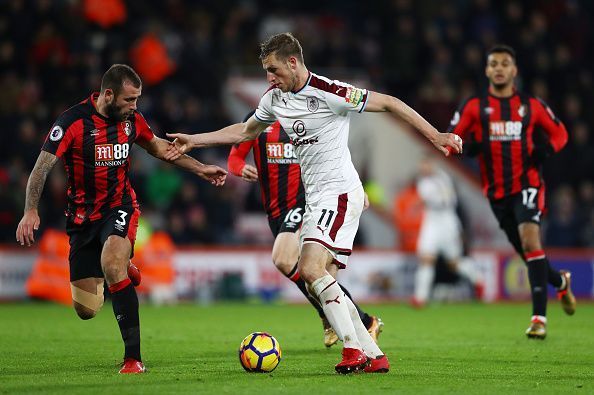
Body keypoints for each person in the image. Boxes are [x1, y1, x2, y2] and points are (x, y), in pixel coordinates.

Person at [166, 32, 461, 374]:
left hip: (339, 193)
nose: (269, 78)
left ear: (293, 62)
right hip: (318, 198)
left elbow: (391, 103)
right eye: (266, 71)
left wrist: (436, 135)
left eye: (273, 70)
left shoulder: (330, 92)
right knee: (317, 277)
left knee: (309, 269)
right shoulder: (274, 98)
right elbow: (245, 132)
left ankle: (353, 351)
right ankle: (374, 354)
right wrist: (194, 141)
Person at [15, 64, 227, 373]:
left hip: (119, 207)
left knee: (111, 265)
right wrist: (30, 210)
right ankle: (124, 265)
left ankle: (133, 359)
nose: (134, 107)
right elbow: (41, 167)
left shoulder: (132, 121)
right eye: (129, 100)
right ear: (108, 94)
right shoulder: (72, 122)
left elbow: (159, 147)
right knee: (86, 309)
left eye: (137, 100)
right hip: (82, 219)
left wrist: (202, 169)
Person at [447, 45, 575, 339]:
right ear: (487, 70)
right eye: (494, 64)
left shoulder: (531, 105)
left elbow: (561, 133)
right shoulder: (473, 106)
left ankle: (539, 319)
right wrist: (466, 147)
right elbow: (452, 138)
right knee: (528, 254)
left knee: (531, 243)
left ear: (514, 70)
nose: (500, 68)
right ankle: (560, 281)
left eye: (506, 63)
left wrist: (546, 149)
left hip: (527, 184)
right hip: (497, 193)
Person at [228, 114, 383, 348]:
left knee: (282, 259)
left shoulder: (307, 118)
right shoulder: (257, 119)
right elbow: (235, 158)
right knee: (315, 276)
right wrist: (241, 169)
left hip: (307, 202)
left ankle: (341, 319)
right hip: (276, 211)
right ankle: (363, 321)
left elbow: (336, 156)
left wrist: (355, 186)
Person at [411, 156, 483, 307]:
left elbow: (448, 200)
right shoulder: (422, 182)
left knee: (454, 264)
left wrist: (424, 201)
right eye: (422, 166)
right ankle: (420, 298)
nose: (423, 169)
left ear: (432, 165)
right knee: (426, 258)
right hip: (431, 224)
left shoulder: (442, 178)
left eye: (426, 165)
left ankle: (478, 278)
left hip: (447, 224)